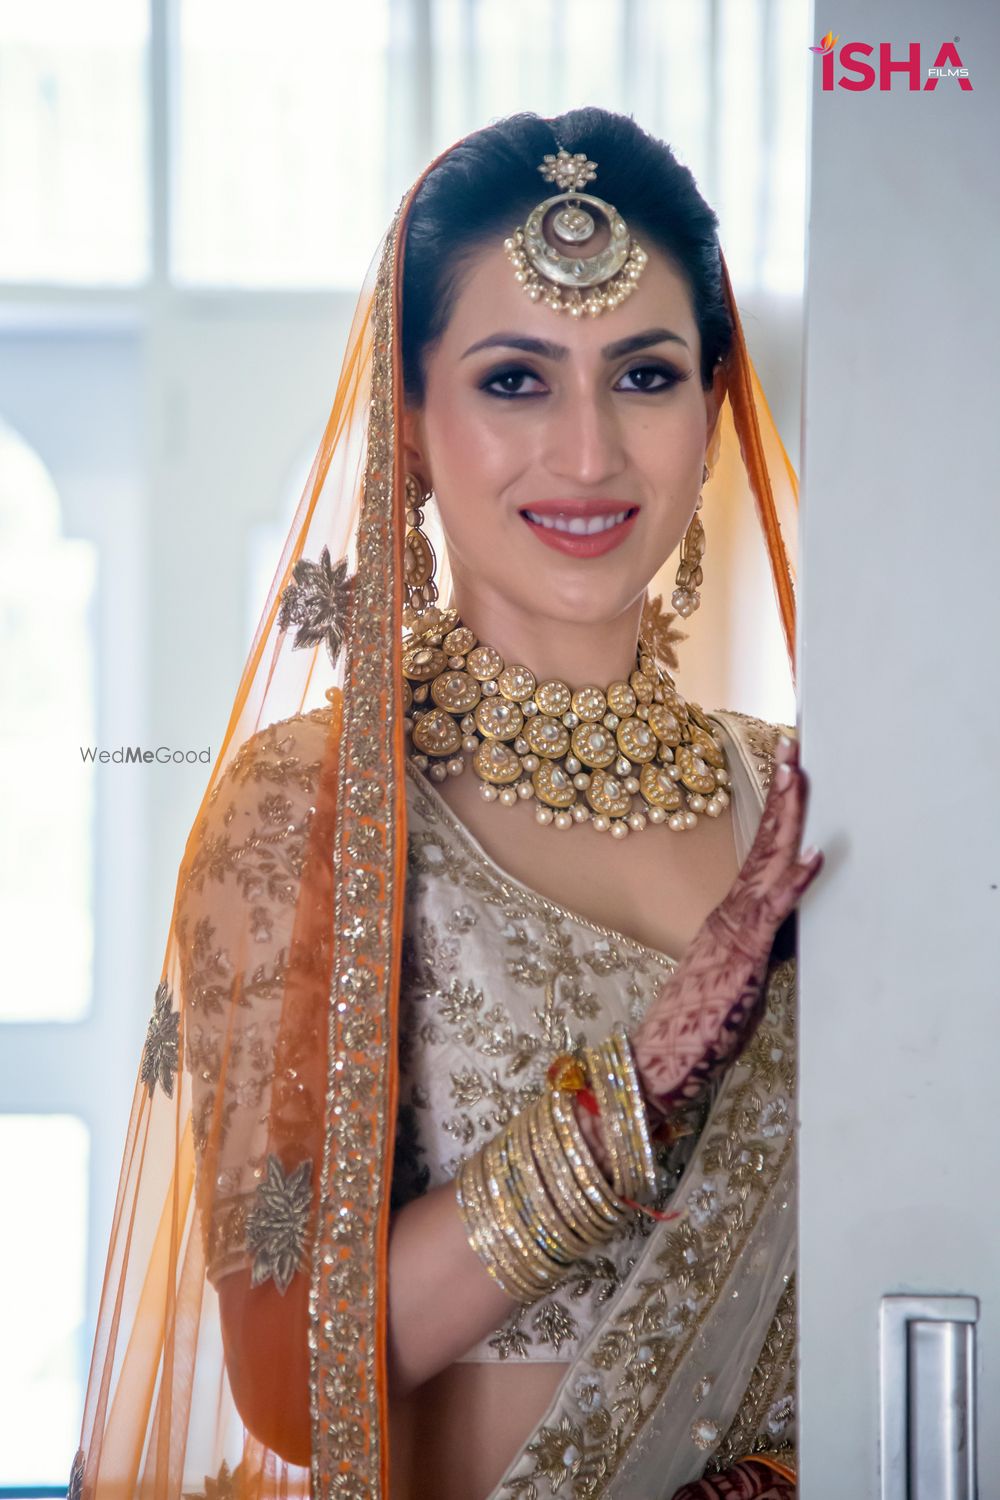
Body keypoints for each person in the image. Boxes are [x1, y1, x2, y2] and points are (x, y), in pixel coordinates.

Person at [70, 109, 818, 1500]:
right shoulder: (311, 813)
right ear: (410, 423)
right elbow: (290, 1382)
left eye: (644, 374)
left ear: (712, 409)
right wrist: (639, 1087)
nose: (589, 454)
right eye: (516, 382)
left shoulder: (809, 805)